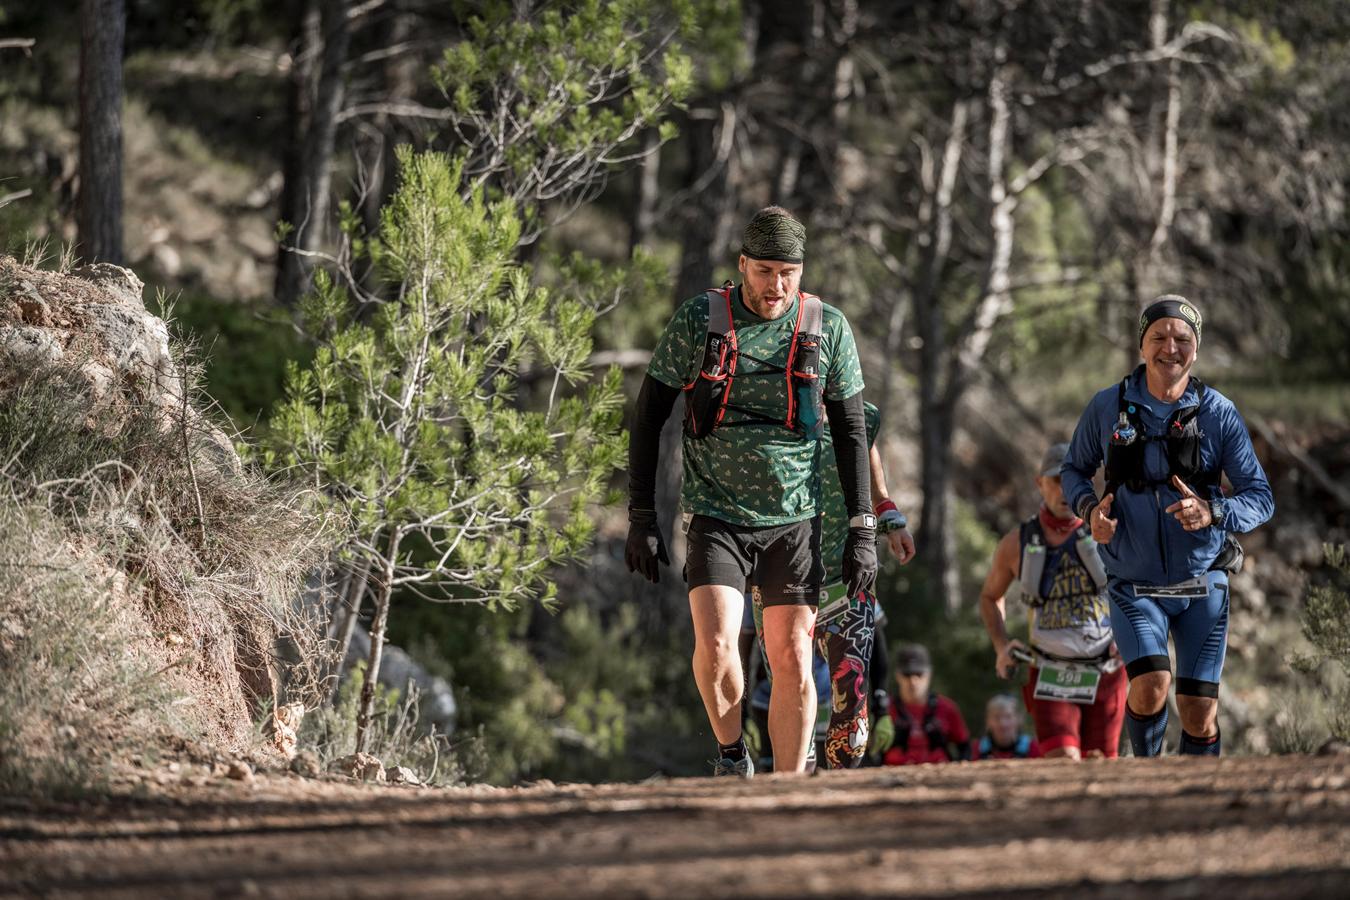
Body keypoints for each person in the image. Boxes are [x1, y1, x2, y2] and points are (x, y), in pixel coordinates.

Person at [625, 206, 876, 776]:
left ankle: (789, 792)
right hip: (717, 514)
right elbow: (648, 417)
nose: (776, 285)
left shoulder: (827, 327)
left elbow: (853, 431)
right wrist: (641, 513)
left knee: (790, 658)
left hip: (796, 519)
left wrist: (863, 527)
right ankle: (734, 757)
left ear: (802, 270)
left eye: (788, 272)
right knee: (715, 651)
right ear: (742, 265)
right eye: (764, 271)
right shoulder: (700, 320)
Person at [1062, 296, 1274, 757]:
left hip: (1203, 582)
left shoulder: (1219, 412)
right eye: (1158, 337)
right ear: (1142, 346)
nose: (1170, 348)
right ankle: (1148, 779)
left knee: (1198, 710)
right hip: (1133, 583)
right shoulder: (1106, 406)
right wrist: (1088, 510)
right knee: (1151, 684)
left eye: (1182, 339)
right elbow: (1072, 470)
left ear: (1195, 350)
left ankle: (1199, 807)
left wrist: (1214, 512)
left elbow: (1261, 497)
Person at [746, 401, 915, 770]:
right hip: (781, 577)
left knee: (851, 699)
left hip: (845, 572)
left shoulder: (858, 412)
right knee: (790, 690)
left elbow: (865, 448)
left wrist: (887, 512)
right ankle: (794, 791)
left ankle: (838, 795)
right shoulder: (755, 410)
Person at [977, 442, 1128, 759]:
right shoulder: (1016, 543)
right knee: (1062, 759)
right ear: (1039, 483)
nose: (1064, 491)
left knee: (1100, 762)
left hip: (1107, 668)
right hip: (1050, 672)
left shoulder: (1111, 531)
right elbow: (991, 597)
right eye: (1056, 481)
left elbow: (1140, 588)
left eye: (1072, 481)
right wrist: (1001, 646)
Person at [882, 644, 970, 766]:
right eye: (907, 675)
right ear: (898, 675)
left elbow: (964, 747)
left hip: (940, 774)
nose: (913, 681)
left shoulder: (947, 707)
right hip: (892, 775)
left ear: (929, 674)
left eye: (919, 674)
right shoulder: (884, 709)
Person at [971, 694, 1042, 761]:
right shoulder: (976, 749)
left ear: (1019, 719)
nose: (1002, 724)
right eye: (996, 717)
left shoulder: (1034, 748)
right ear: (988, 721)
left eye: (1008, 717)